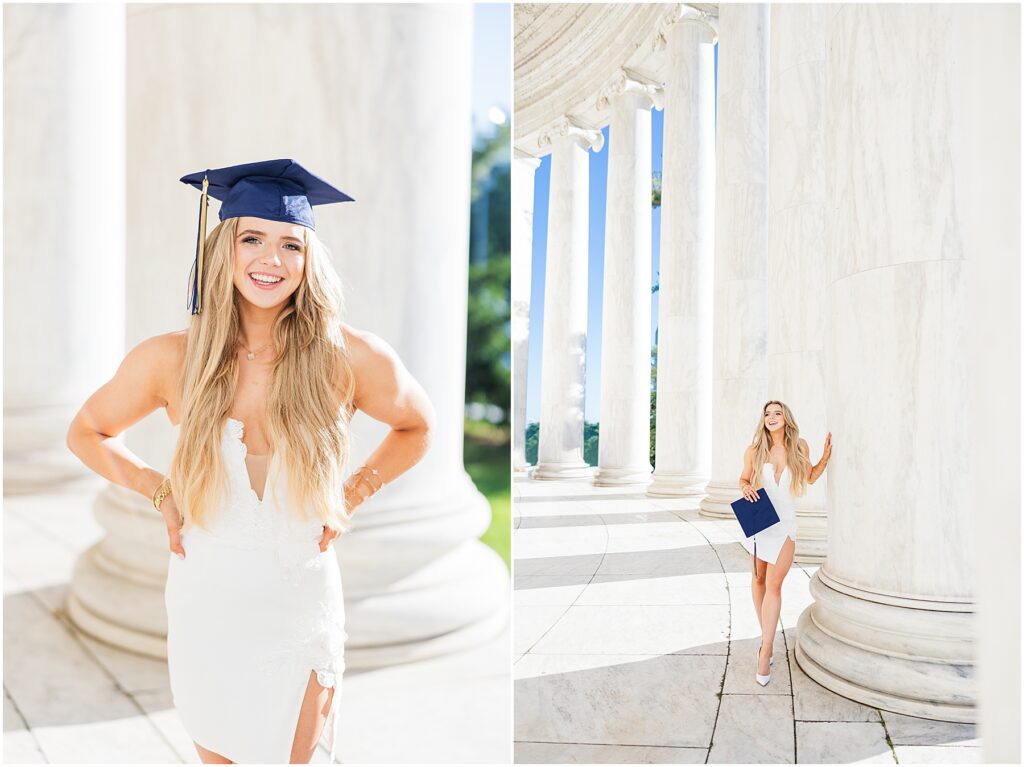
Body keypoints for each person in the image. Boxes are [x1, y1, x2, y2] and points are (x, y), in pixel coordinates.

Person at [65, 159, 435, 763]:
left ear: (309, 258)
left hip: (300, 599)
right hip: (207, 598)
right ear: (223, 250)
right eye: (252, 238)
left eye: (292, 243)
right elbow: (87, 430)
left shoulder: (349, 355)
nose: (272, 259)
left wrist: (354, 491)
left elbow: (417, 425)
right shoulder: (171, 359)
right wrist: (156, 487)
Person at [737, 400, 830, 687]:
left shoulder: (798, 445)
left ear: (786, 418)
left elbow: (810, 477)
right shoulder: (755, 449)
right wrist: (746, 486)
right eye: (767, 414)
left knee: (774, 585)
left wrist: (826, 457)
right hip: (761, 520)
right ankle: (766, 635)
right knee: (758, 580)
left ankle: (765, 651)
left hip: (785, 524)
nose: (771, 417)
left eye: (777, 413)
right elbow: (743, 479)